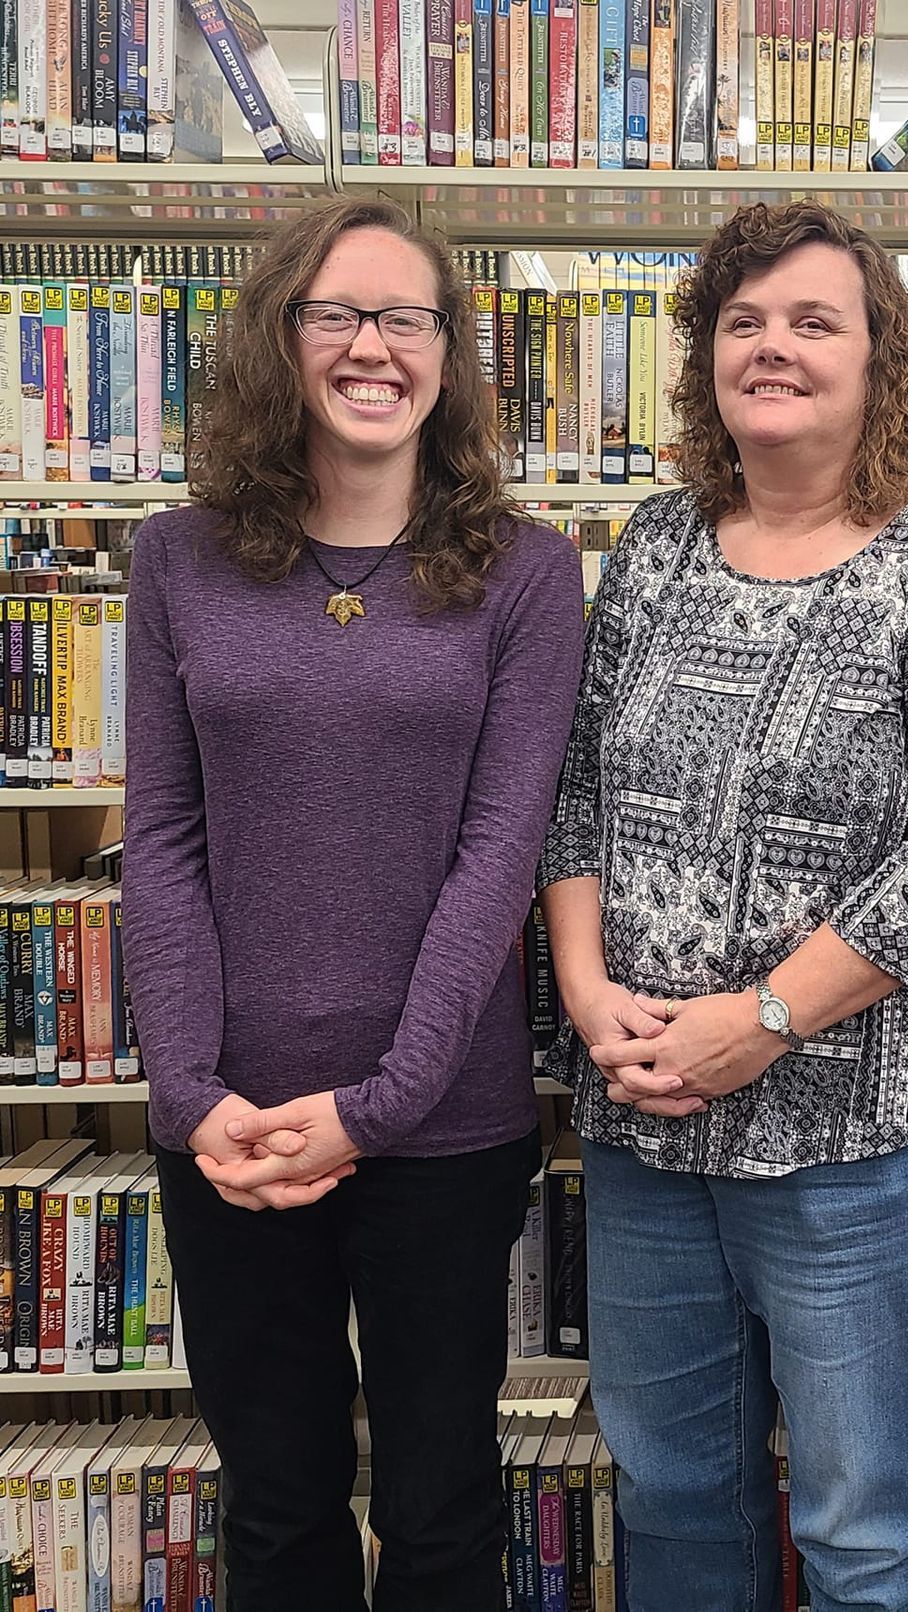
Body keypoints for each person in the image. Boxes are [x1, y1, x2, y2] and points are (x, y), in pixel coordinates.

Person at [536, 199, 908, 1612]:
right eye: (744, 322)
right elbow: (571, 793)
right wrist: (587, 998)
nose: (774, 346)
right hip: (649, 1120)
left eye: (814, 321)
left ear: (881, 361)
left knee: (865, 1524)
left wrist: (761, 1019)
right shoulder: (653, 546)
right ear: (705, 359)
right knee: (677, 1492)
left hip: (861, 1134)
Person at [122, 197, 585, 1612]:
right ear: (282, 337)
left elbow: (499, 858)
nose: (373, 345)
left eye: (407, 317)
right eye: (337, 313)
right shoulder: (176, 561)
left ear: (449, 355)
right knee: (275, 1512)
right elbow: (162, 838)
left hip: (442, 1129)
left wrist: (377, 1105)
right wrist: (193, 1096)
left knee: (442, 1515)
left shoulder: (528, 573)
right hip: (232, 1132)